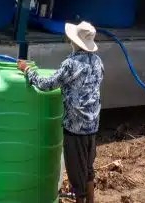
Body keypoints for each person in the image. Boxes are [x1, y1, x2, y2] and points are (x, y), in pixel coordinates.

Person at [18, 21, 104, 203]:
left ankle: (81, 200)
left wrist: (28, 71)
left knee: (75, 172)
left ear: (74, 42)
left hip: (75, 126)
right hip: (93, 125)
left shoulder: (71, 64)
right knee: (88, 168)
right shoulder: (98, 61)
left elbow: (46, 85)